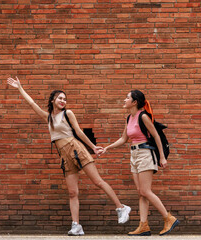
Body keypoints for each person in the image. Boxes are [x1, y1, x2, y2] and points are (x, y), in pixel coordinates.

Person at [7, 76, 131, 236]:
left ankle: (121, 207)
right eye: (60, 98)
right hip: (64, 154)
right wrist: (20, 88)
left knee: (98, 181)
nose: (63, 101)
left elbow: (78, 132)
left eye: (65, 99)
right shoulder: (49, 118)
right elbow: (32, 104)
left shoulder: (68, 113)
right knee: (72, 192)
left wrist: (93, 147)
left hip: (75, 148)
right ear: (52, 100)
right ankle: (76, 225)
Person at [100, 90, 179, 236]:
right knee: (141, 192)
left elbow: (155, 136)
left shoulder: (143, 116)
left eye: (127, 98)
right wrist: (107, 148)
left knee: (145, 191)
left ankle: (169, 218)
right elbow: (124, 139)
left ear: (135, 102)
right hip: (134, 154)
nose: (124, 100)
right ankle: (143, 226)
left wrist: (162, 157)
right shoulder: (129, 118)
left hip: (145, 153)